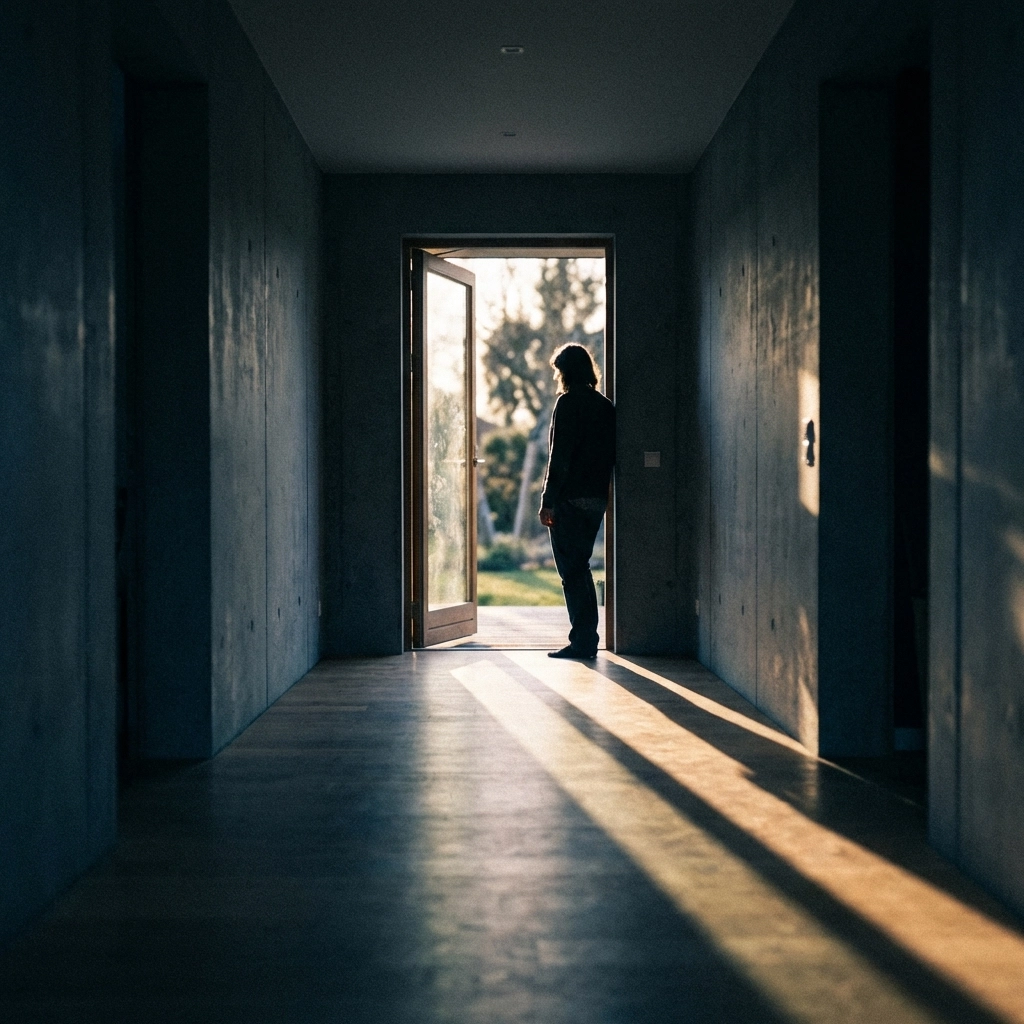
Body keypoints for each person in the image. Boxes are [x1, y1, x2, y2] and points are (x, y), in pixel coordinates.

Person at [538, 343, 616, 660]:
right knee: (580, 568)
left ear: (566, 372)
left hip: (569, 501)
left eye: (559, 371)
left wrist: (547, 501)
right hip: (596, 500)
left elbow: (560, 459)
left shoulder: (568, 404)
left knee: (572, 572)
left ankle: (583, 642)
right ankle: (586, 639)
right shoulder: (605, 406)